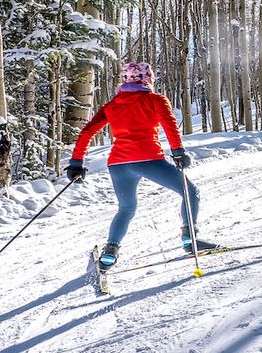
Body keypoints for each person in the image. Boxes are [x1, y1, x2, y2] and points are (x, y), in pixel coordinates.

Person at [66, 61, 216, 271]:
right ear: (148, 79)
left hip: (119, 164)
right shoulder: (155, 99)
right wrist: (178, 152)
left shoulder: (111, 105)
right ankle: (190, 240)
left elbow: (87, 132)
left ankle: (110, 254)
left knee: (126, 208)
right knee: (190, 192)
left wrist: (76, 163)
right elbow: (169, 124)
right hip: (148, 160)